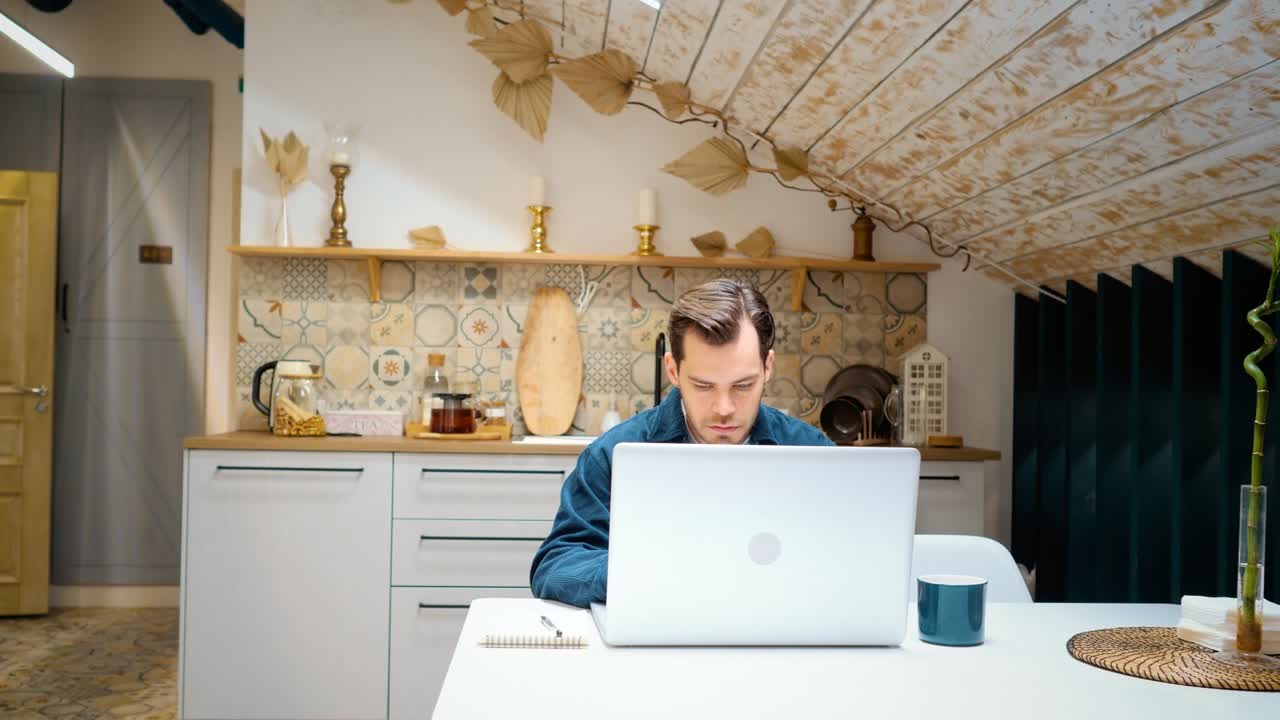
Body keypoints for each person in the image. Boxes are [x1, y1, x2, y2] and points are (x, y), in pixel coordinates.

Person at [529, 279, 835, 608]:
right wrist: (647, 574)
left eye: (743, 386)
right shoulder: (614, 454)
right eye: (703, 386)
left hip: (782, 632)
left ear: (767, 367)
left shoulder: (813, 453)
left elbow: (854, 556)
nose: (724, 408)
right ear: (673, 370)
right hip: (654, 639)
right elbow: (556, 566)